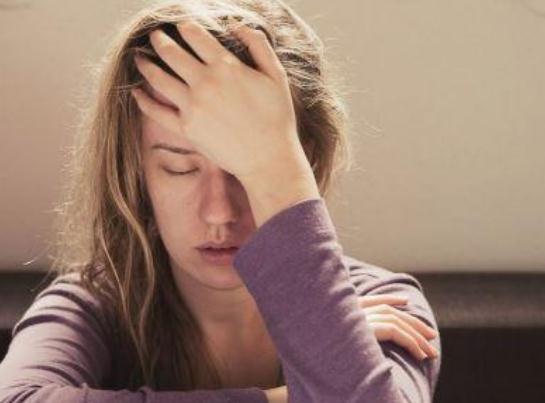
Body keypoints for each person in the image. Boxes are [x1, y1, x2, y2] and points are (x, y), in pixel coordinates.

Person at [0, 0, 441, 402]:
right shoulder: (93, 306)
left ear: (304, 164)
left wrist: (276, 165)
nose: (219, 212)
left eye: (245, 170)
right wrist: (295, 391)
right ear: (136, 174)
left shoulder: (386, 303)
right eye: (179, 168)